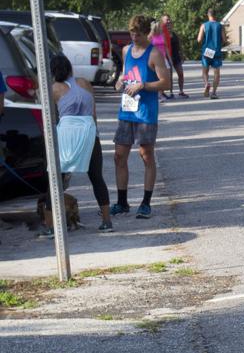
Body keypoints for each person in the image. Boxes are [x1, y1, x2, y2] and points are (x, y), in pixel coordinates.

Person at [112, 14, 170, 219]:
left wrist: (143, 85)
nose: (134, 37)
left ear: (147, 33)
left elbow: (166, 83)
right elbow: (125, 74)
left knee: (146, 155)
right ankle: (122, 202)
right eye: (131, 33)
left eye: (137, 34)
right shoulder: (126, 50)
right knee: (119, 155)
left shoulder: (154, 54)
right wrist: (120, 81)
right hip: (126, 110)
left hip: (145, 112)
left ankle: (146, 202)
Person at [50, 53, 112, 232]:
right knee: (96, 177)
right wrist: (94, 132)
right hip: (89, 133)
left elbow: (53, 118)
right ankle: (107, 221)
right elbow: (93, 113)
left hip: (67, 135)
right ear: (70, 68)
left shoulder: (54, 89)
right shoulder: (84, 83)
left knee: (56, 179)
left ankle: (49, 226)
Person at [196, 8, 225, 98]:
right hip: (216, 50)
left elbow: (199, 39)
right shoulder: (220, 26)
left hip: (207, 50)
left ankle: (206, 83)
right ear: (215, 15)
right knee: (216, 73)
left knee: (205, 71)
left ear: (208, 15)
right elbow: (224, 39)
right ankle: (214, 93)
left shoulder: (204, 25)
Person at [161, 13, 189, 98]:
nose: (168, 21)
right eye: (167, 20)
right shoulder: (161, 33)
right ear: (162, 21)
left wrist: (182, 54)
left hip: (176, 56)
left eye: (169, 19)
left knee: (180, 73)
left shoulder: (174, 34)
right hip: (166, 56)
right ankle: (171, 92)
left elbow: (179, 45)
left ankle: (181, 91)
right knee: (169, 76)